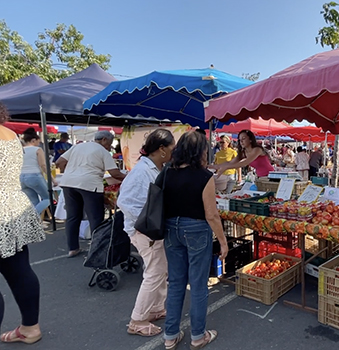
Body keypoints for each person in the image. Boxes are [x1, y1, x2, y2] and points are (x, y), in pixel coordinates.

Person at [161, 131, 228, 350]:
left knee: (176, 283)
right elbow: (211, 214)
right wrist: (223, 241)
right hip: (196, 229)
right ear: (201, 152)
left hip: (171, 229)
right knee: (198, 284)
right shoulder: (204, 176)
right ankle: (198, 336)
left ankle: (170, 335)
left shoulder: (166, 173)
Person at [117, 129, 176, 337]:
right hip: (145, 230)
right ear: (161, 149)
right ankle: (137, 319)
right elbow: (124, 201)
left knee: (160, 270)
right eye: (171, 148)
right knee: (154, 272)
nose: (173, 152)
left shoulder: (154, 168)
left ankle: (156, 307)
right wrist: (147, 219)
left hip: (150, 229)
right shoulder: (142, 170)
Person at [0, 103, 46, 344]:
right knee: (20, 271)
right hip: (12, 206)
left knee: (19, 271)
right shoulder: (10, 134)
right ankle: (30, 327)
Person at [55, 131, 126, 258]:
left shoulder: (78, 146)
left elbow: (59, 162)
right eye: (109, 144)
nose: (110, 147)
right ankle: (97, 250)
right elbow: (115, 173)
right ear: (104, 139)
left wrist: (71, 171)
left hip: (69, 183)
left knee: (72, 217)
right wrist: (129, 178)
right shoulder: (103, 151)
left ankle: (73, 248)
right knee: (95, 218)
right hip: (90, 185)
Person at [210, 129, 274, 179]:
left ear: (250, 140)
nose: (241, 142)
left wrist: (226, 167)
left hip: (270, 176)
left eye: (243, 139)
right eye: (240, 140)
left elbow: (244, 163)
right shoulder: (244, 153)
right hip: (260, 177)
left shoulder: (257, 149)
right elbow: (230, 162)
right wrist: (215, 166)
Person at [20, 128, 57, 215]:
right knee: (48, 198)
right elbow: (43, 166)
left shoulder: (20, 150)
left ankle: (34, 223)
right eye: (38, 142)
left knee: (33, 202)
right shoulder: (37, 150)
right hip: (34, 175)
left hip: (22, 176)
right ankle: (32, 217)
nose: (39, 144)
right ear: (34, 140)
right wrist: (53, 180)